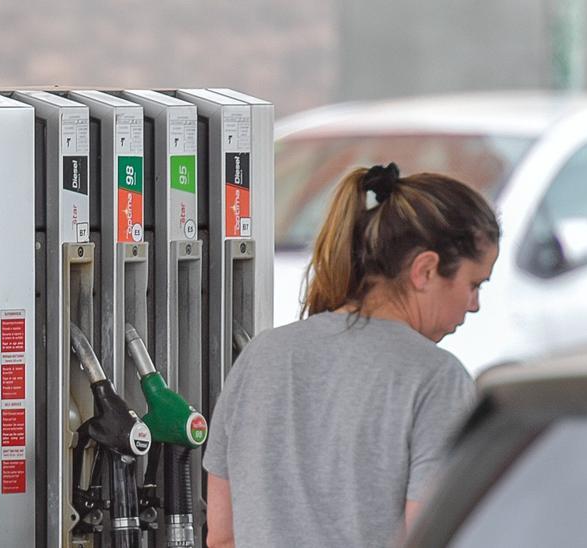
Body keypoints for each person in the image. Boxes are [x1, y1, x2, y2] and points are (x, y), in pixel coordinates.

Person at [203, 163, 500, 547]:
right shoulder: (436, 378)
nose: (474, 305)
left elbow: (222, 537)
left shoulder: (263, 355)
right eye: (473, 284)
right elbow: (431, 538)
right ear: (426, 270)